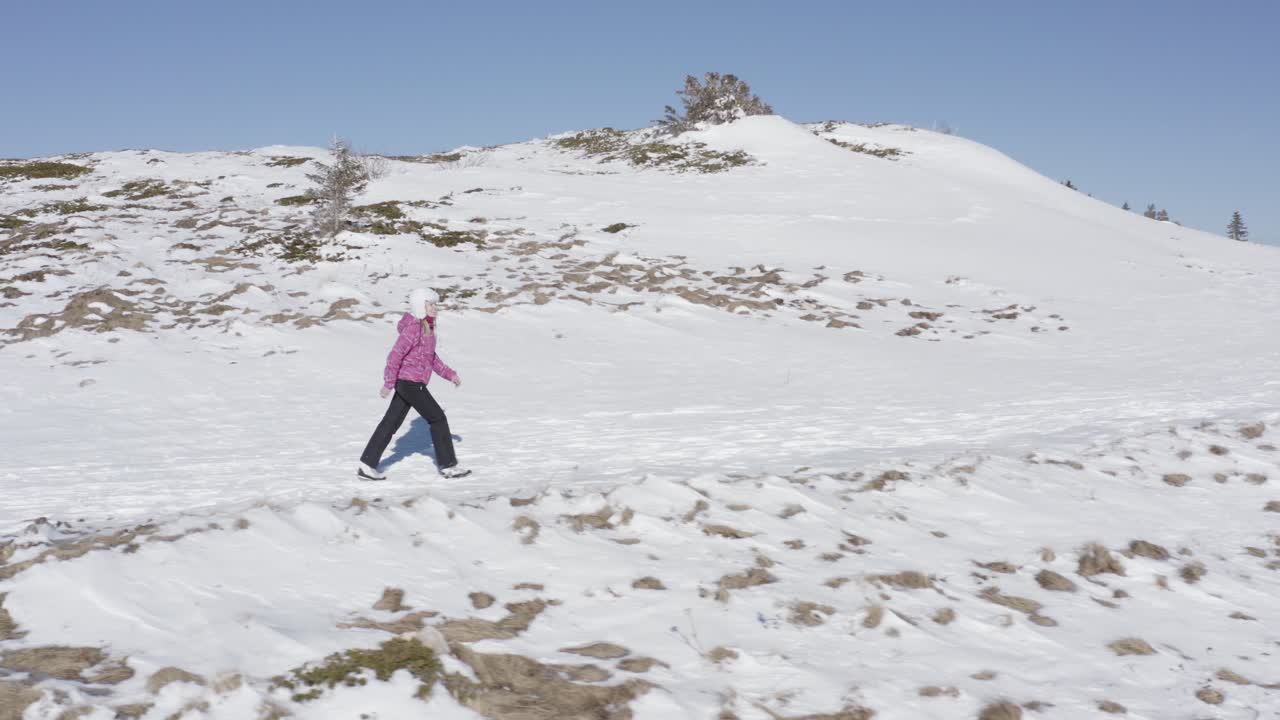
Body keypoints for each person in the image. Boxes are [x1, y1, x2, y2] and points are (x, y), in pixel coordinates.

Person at [358, 288, 470, 480]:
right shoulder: (414, 328)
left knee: (390, 422)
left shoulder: (427, 328)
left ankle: (367, 465)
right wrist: (389, 383)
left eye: (435, 304)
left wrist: (450, 374)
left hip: (409, 383)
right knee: (437, 419)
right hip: (409, 383)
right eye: (430, 304)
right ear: (420, 306)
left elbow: (431, 358)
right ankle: (448, 466)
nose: (435, 308)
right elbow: (395, 355)